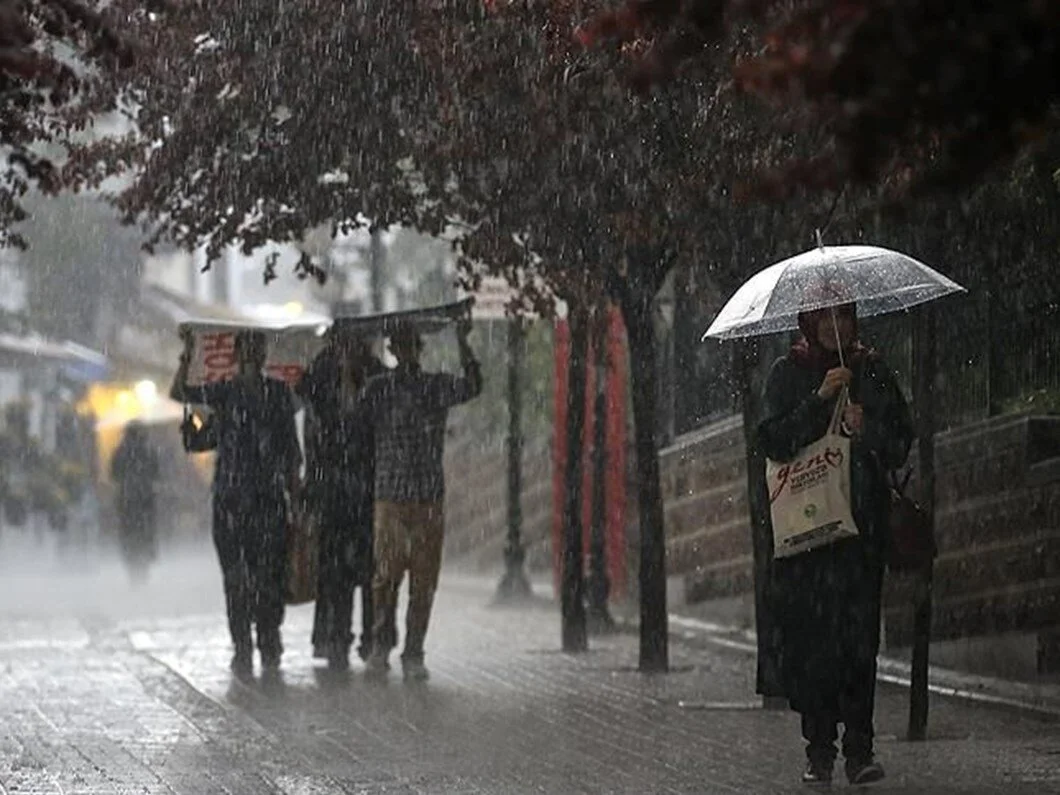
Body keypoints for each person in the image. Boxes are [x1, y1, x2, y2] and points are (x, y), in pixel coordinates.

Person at [757, 302, 914, 787]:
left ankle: (860, 749)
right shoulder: (789, 372)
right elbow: (772, 440)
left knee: (859, 642)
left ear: (853, 320)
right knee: (814, 645)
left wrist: (867, 429)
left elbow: (900, 443)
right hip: (807, 539)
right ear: (808, 322)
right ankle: (819, 748)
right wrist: (818, 402)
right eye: (823, 317)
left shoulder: (870, 369)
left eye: (842, 315)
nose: (833, 325)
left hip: (859, 535)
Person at [356, 316, 482, 681]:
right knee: (386, 577)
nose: (406, 351)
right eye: (400, 345)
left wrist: (464, 343)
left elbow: (473, 385)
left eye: (410, 344)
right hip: (390, 495)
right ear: (394, 350)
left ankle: (414, 650)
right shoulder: (377, 389)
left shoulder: (434, 386)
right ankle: (382, 644)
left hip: (426, 496)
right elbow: (354, 423)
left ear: (417, 349)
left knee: (423, 580)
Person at [171, 330, 301, 678]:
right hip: (231, 501)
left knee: (269, 576)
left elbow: (290, 449)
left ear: (262, 356)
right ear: (238, 355)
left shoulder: (277, 394)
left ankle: (268, 641)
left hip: (268, 500)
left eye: (256, 351)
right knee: (236, 578)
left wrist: (295, 493)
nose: (252, 357)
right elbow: (181, 394)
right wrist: (187, 354)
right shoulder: (224, 393)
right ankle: (243, 645)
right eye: (246, 351)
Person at [297, 331, 387, 671]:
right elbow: (313, 427)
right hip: (332, 488)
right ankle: (336, 637)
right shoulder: (321, 374)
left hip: (365, 487)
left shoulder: (375, 374)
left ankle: (371, 637)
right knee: (335, 569)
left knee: (368, 569)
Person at [110, 421, 160, 575]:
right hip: (145, 497)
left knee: (129, 531)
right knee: (145, 530)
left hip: (126, 498)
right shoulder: (149, 450)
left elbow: (114, 474)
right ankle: (144, 561)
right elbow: (156, 473)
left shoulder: (120, 451)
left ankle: (131, 561)